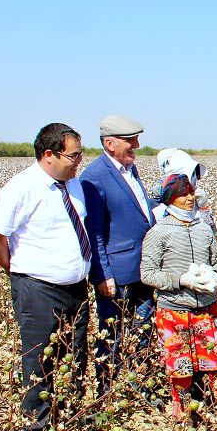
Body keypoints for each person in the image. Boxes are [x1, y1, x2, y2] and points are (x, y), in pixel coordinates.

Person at [0, 123, 92, 431]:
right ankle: (37, 430)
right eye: (74, 155)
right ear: (49, 155)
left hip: (75, 287)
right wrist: (18, 270)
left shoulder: (73, 185)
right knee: (38, 360)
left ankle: (70, 417)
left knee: (75, 354)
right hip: (38, 288)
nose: (79, 161)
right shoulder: (22, 187)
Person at [140, 175, 217, 419]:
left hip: (206, 308)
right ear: (170, 199)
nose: (190, 198)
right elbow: (148, 274)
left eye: (191, 192)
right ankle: (182, 414)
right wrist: (182, 280)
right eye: (183, 194)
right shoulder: (158, 233)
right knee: (180, 367)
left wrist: (214, 277)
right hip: (173, 311)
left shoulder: (204, 229)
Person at [79, 115, 155, 399]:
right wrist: (102, 274)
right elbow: (94, 232)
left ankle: (142, 388)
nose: (136, 145)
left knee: (143, 331)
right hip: (117, 274)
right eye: (130, 140)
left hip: (142, 269)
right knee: (112, 335)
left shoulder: (129, 169)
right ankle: (106, 392)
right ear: (110, 144)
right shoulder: (94, 177)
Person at [149, 148, 215, 229]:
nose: (195, 179)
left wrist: (204, 208)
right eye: (192, 174)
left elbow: (209, 235)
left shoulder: (195, 203)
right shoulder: (156, 208)